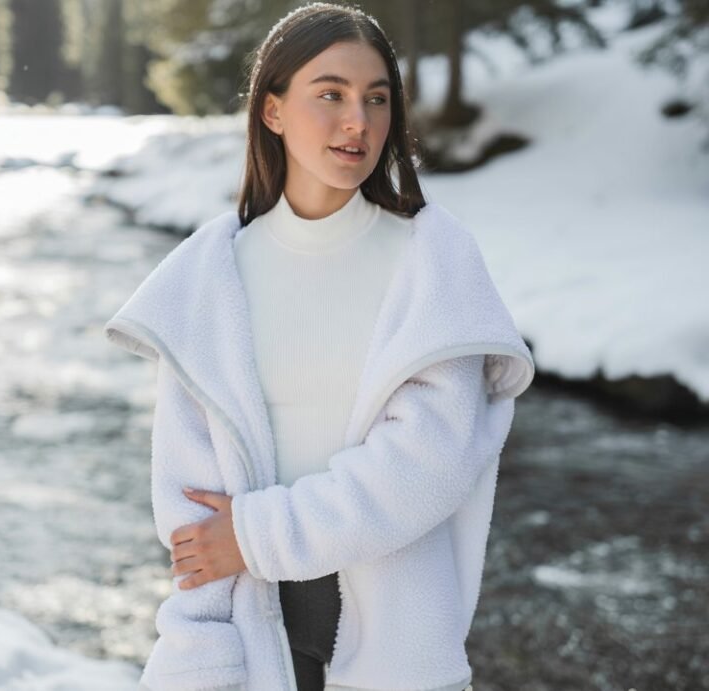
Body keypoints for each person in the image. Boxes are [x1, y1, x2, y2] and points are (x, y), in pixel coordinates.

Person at [104, 3, 535, 691]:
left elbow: (427, 463)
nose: (358, 120)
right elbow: (191, 506)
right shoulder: (207, 276)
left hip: (394, 634)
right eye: (331, 94)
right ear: (272, 111)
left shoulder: (433, 263)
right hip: (253, 630)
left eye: (376, 98)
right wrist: (196, 654)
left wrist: (258, 535)